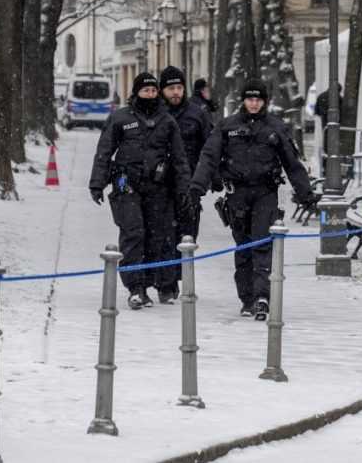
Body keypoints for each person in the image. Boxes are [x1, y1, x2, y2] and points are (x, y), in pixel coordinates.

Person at [189, 82, 318, 320]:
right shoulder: (228, 127)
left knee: (262, 245)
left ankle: (261, 297)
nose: (254, 103)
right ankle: (246, 298)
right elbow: (209, 157)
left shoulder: (275, 128)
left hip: (265, 193)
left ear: (264, 101)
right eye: (250, 99)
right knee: (243, 247)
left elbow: (292, 163)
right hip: (237, 195)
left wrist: (305, 195)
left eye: (258, 99)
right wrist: (197, 186)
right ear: (243, 101)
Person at [89, 72, 191, 309]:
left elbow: (179, 159)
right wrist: (97, 183)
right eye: (146, 91)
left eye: (154, 91)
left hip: (158, 187)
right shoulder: (120, 118)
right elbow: (104, 152)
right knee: (133, 233)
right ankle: (136, 287)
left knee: (158, 236)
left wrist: (184, 188)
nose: (150, 95)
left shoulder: (167, 122)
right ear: (136, 93)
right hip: (126, 184)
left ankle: (160, 284)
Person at [160, 66, 213, 242]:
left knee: (187, 240)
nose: (176, 92)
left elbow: (209, 148)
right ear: (162, 90)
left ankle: (184, 270)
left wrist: (210, 178)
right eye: (171, 88)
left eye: (179, 88)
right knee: (162, 241)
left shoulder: (197, 114)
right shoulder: (156, 113)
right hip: (160, 187)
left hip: (190, 186)